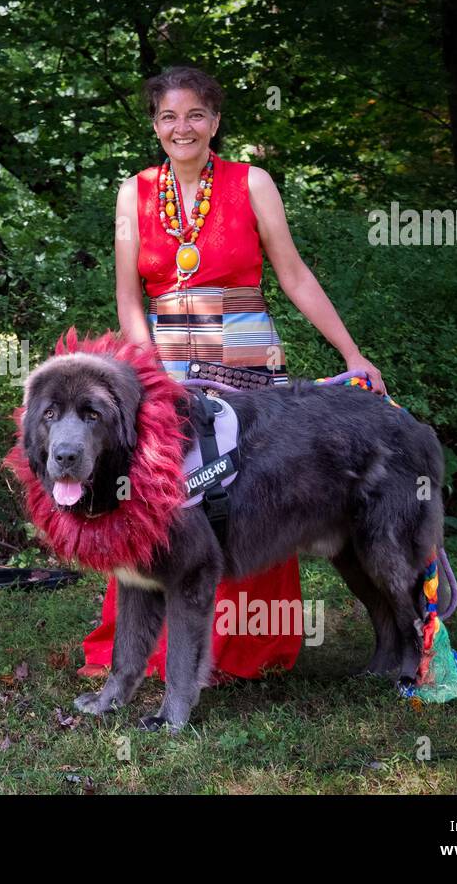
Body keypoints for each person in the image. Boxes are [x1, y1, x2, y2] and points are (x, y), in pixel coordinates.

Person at [78, 66, 386, 682]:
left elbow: (294, 276)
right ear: (155, 126)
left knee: (251, 494)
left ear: (215, 122)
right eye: (168, 116)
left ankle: (248, 649)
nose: (181, 127)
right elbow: (128, 299)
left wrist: (353, 354)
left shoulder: (252, 184)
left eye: (195, 115)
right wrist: (149, 379)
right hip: (165, 366)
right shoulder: (133, 192)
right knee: (166, 502)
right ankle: (156, 654)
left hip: (248, 366)